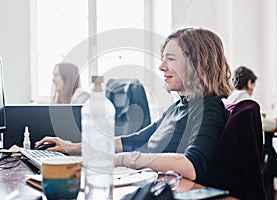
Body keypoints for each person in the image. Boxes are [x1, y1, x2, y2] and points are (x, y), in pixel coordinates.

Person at [36, 27, 234, 182]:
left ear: (196, 63)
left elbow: (191, 165)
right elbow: (132, 140)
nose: (161, 66)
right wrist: (72, 147)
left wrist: (123, 160)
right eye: (163, 59)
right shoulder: (178, 107)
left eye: (170, 59)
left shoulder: (208, 108)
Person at [223, 66, 277, 132]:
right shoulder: (246, 101)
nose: (254, 88)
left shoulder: (229, 98)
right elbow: (261, 123)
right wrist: (274, 123)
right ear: (249, 83)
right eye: (254, 84)